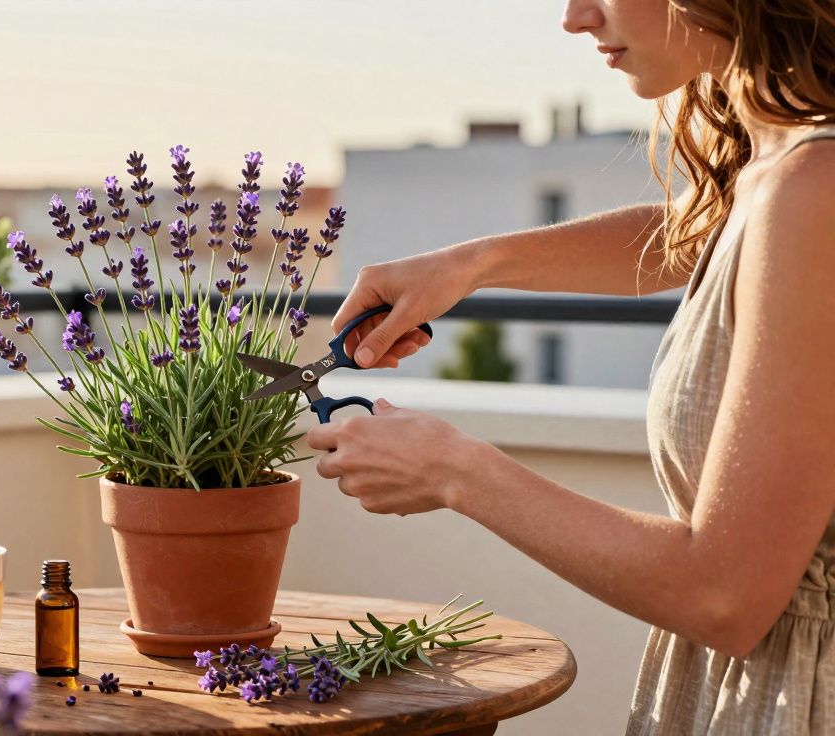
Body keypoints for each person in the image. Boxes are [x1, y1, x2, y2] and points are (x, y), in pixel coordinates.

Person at [308, 1, 835, 733]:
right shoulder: (780, 167)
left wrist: (454, 470)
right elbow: (701, 232)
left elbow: (725, 596)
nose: (575, 17)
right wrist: (473, 264)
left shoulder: (814, 189)